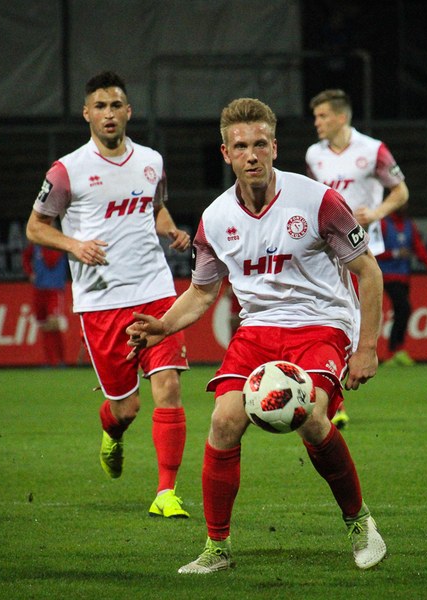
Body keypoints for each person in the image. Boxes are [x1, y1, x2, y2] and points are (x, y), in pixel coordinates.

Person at [126, 97, 387, 573]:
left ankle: (359, 522)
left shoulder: (318, 201)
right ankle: (217, 547)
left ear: (275, 147)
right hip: (257, 330)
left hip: (321, 324)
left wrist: (366, 347)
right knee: (223, 422)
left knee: (311, 418)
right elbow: (202, 292)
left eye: (260, 144)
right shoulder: (215, 219)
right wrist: (163, 326)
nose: (252, 155)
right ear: (226, 153)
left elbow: (369, 272)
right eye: (241, 146)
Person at [25, 71, 192, 518]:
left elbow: (155, 208)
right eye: (100, 106)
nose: (109, 113)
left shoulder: (151, 160)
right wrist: (73, 245)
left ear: (128, 111)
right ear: (87, 113)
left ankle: (166, 492)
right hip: (101, 301)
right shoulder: (67, 171)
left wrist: (171, 230)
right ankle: (112, 431)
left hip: (156, 290)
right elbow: (36, 227)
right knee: (126, 408)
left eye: (116, 105)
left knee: (168, 385)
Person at [305, 88, 409, 428]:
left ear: (341, 117)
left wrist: (376, 213)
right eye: (316, 116)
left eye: (322, 116)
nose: (317, 122)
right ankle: (334, 401)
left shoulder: (373, 150)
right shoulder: (314, 155)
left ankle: (338, 390)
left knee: (351, 319)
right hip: (325, 249)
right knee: (333, 318)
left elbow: (401, 191)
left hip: (362, 247)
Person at [375, 208, 427, 366]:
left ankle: (397, 352)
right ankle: (394, 351)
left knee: (401, 313)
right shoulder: (383, 224)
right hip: (387, 276)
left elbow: (418, 247)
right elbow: (374, 250)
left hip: (404, 276)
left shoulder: (409, 225)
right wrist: (395, 253)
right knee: (404, 309)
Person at [22, 242, 68, 367]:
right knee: (44, 325)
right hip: (39, 289)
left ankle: (61, 360)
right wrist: (30, 272)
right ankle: (50, 360)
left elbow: (51, 261)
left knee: (53, 323)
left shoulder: (58, 243)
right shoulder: (36, 244)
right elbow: (25, 257)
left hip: (55, 288)